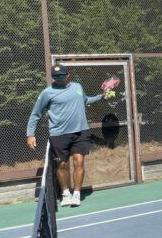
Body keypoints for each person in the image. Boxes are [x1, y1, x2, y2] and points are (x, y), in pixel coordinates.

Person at [26, 64, 113, 207]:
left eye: (61, 75)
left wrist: (101, 97)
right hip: (59, 134)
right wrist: (30, 134)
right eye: (55, 76)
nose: (58, 78)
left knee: (79, 162)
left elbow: (85, 100)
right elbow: (36, 114)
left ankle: (77, 193)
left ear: (68, 75)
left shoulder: (77, 87)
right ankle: (66, 193)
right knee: (63, 165)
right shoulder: (47, 93)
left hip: (81, 131)